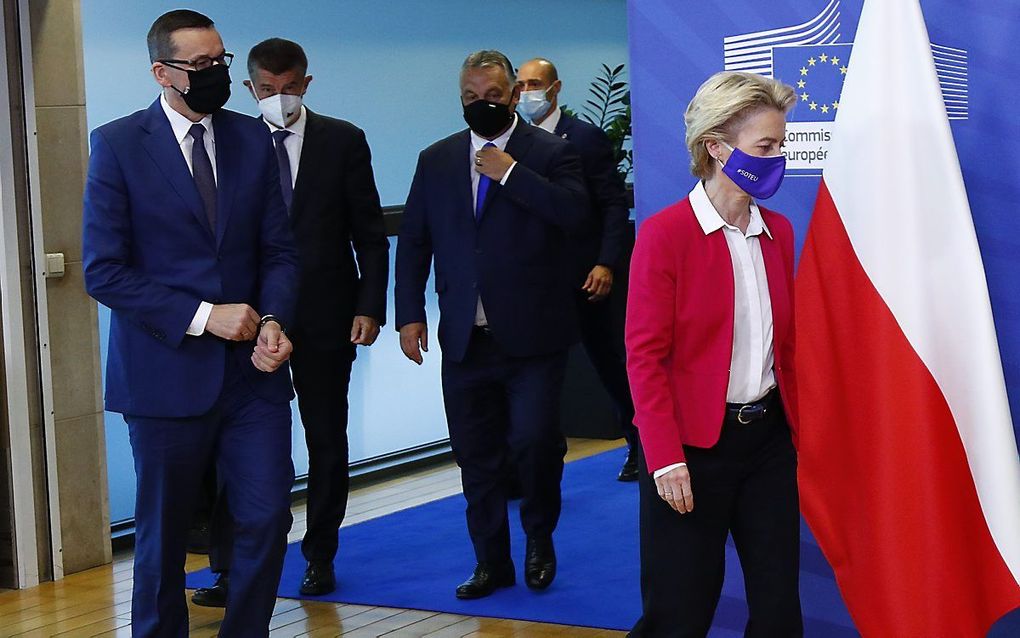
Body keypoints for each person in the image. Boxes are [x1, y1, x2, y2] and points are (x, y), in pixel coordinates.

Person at [81, 10, 299, 638]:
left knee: (265, 517)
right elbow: (105, 272)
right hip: (163, 374)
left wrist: (273, 318)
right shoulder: (118, 145)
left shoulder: (253, 138)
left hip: (252, 378)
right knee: (163, 537)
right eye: (200, 65)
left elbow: (279, 249)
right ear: (161, 72)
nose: (215, 75)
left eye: (220, 62)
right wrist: (207, 317)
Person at [190, 37, 389, 607]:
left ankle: (320, 555)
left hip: (328, 317)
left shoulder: (343, 140)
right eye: (268, 89)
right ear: (251, 87)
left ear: (307, 83)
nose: (280, 98)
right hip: (250, 322)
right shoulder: (225, 139)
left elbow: (369, 236)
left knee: (326, 438)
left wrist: (368, 306)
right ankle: (230, 568)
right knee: (240, 446)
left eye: (290, 87)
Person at [395, 50, 588, 599]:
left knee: (533, 444)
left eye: (492, 97)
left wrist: (512, 176)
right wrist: (408, 314)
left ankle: (539, 542)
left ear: (511, 96)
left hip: (532, 337)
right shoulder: (436, 159)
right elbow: (414, 241)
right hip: (464, 338)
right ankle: (490, 561)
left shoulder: (551, 153)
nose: (481, 106)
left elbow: (576, 217)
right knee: (474, 455)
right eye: (470, 99)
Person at [625, 71, 802, 637]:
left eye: (781, 145)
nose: (778, 159)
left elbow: (787, 348)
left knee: (778, 609)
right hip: (693, 449)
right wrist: (663, 457)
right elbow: (643, 356)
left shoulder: (780, 232)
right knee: (679, 611)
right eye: (765, 147)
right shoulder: (665, 235)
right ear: (716, 147)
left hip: (769, 442)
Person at [516, 57, 638, 481]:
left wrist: (606, 261)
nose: (527, 92)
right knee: (540, 372)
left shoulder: (584, 138)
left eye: (535, 83)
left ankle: (639, 443)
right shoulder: (514, 142)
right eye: (522, 84)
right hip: (536, 277)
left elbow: (611, 205)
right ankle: (542, 457)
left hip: (587, 274)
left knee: (610, 359)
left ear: (555, 88)